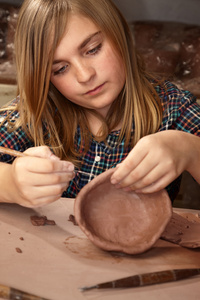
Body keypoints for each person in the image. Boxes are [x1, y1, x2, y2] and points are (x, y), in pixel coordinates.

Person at [0, 0, 199, 208]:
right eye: (60, 69)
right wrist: (11, 183)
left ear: (120, 33)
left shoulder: (173, 106)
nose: (85, 75)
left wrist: (190, 150)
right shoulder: (38, 110)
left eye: (93, 49)